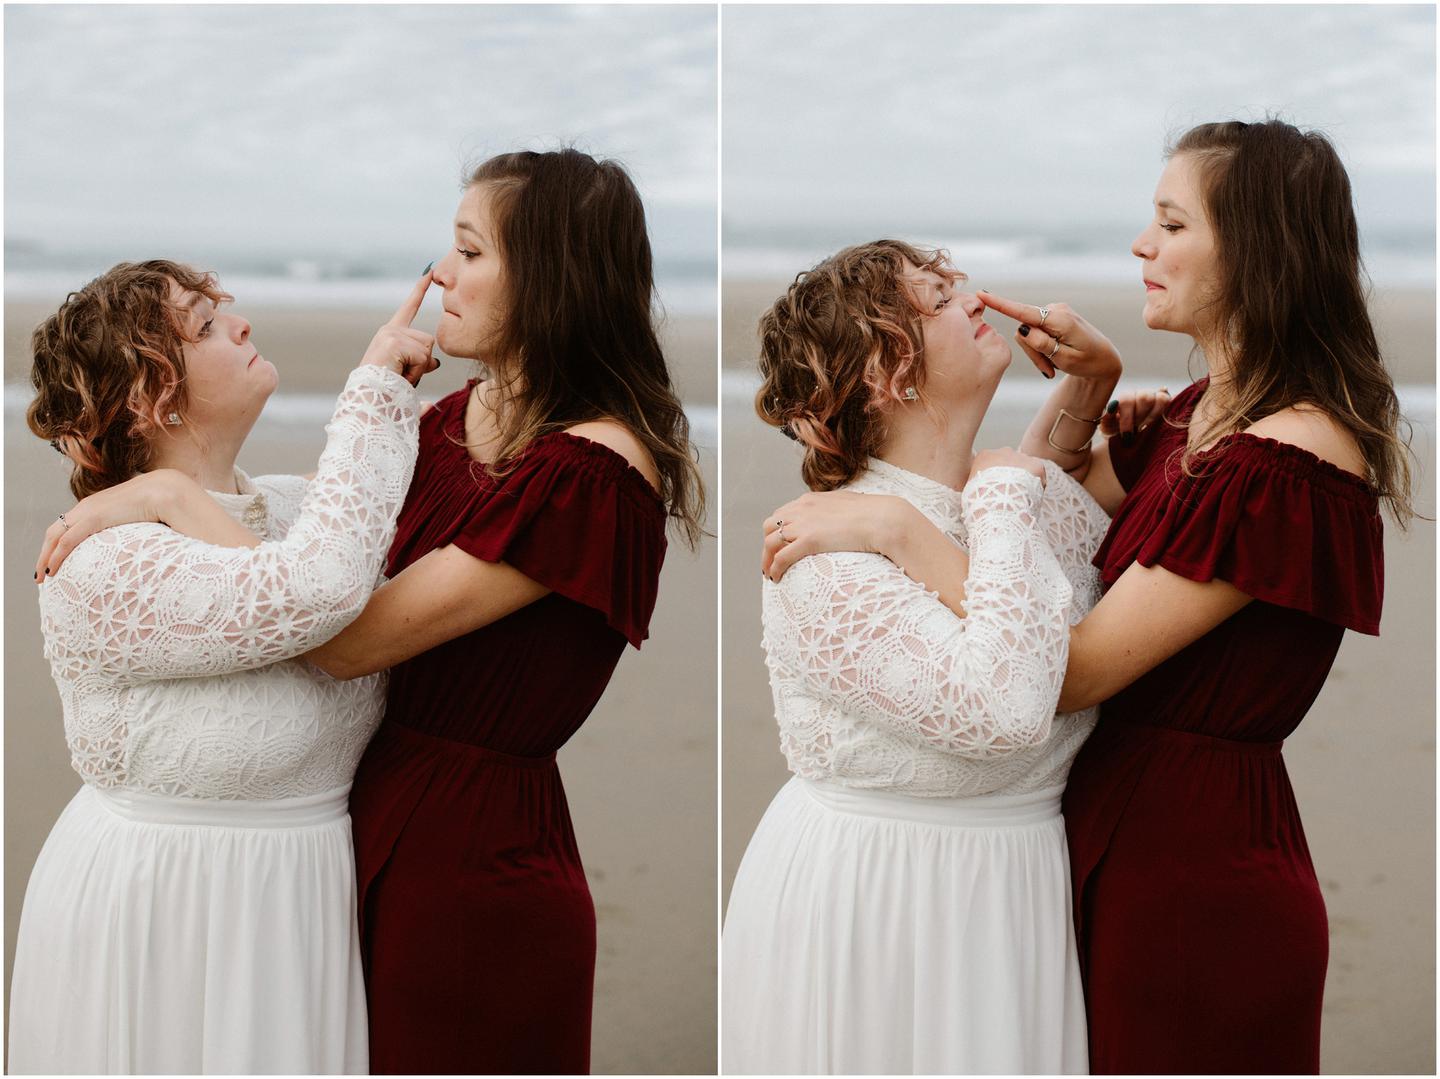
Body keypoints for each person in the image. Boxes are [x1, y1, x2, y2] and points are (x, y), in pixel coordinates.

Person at [761, 120, 1410, 1074]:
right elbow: (1043, 514)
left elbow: (1061, 671)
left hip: (1191, 871)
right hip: (1101, 844)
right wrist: (1093, 384)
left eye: (1171, 223)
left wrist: (902, 533)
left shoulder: (1290, 457)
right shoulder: (1197, 421)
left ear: (1259, 247)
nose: (1142, 246)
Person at [11, 259, 437, 1073]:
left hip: (298, 908)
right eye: (205, 326)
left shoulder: (287, 507)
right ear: (151, 395)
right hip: (160, 910)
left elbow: (379, 510)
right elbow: (319, 590)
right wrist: (375, 387)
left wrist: (179, 496)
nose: (241, 324)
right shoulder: (102, 564)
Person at [723, 239, 1117, 1074]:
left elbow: (1071, 514)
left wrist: (1091, 386)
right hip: (877, 901)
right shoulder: (822, 553)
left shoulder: (994, 502)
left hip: (1015, 896)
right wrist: (1003, 486)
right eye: (935, 298)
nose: (969, 297)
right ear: (883, 369)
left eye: (952, 283)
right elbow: (1008, 705)